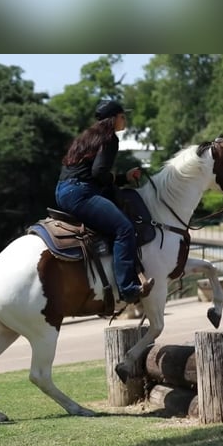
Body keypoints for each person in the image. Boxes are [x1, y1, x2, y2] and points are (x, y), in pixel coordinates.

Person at [55, 99, 154, 304]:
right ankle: (127, 288)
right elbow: (99, 173)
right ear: (114, 119)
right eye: (122, 116)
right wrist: (115, 179)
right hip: (81, 193)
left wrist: (122, 178)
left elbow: (94, 175)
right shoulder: (110, 139)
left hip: (63, 191)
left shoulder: (86, 138)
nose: (125, 119)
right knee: (124, 228)